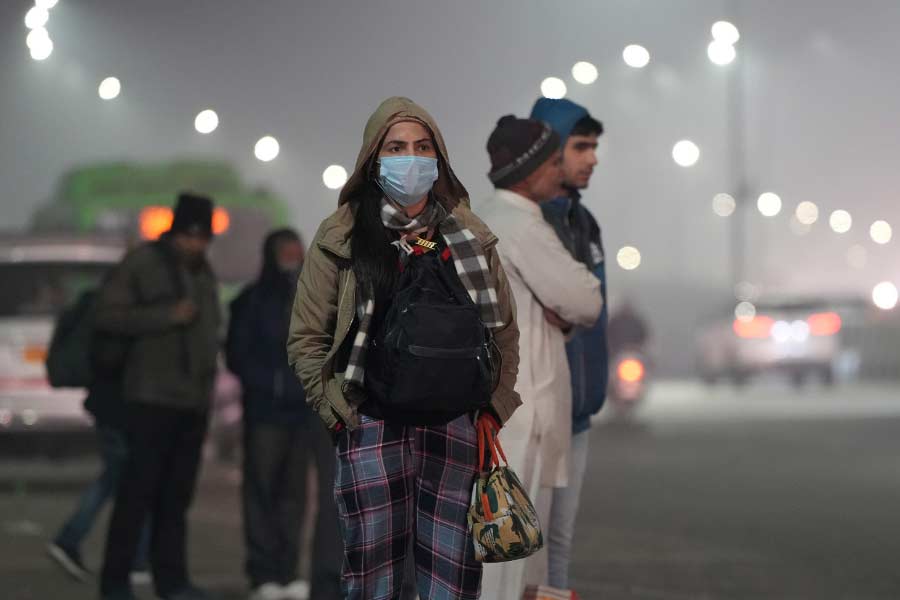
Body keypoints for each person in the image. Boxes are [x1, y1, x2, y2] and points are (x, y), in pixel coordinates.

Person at [286, 96, 521, 600]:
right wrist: (335, 412)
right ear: (373, 159)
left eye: (421, 146)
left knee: (452, 581)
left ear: (438, 159)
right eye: (395, 147)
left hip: (454, 429)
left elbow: (502, 330)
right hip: (370, 426)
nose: (410, 158)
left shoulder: (468, 237)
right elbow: (307, 336)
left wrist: (494, 408)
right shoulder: (342, 237)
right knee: (374, 581)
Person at [476, 115, 604, 600]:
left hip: (504, 409)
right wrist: (568, 308)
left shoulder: (483, 215)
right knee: (510, 568)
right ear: (527, 171)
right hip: (522, 415)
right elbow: (586, 300)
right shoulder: (520, 225)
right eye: (553, 162)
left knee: (504, 560)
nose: (559, 171)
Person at [97, 193, 221, 600]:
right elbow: (108, 315)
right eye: (190, 235)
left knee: (175, 500)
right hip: (149, 398)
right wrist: (165, 316)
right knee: (136, 496)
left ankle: (172, 582)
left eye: (203, 237)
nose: (196, 244)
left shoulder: (205, 273)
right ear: (176, 231)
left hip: (192, 402)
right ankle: (114, 582)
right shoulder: (143, 264)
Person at [226, 229, 342, 600]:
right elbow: (237, 354)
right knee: (262, 491)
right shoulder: (252, 300)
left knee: (294, 497)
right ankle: (263, 573)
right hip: (265, 413)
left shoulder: (314, 297)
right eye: (286, 249)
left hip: (302, 413)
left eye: (297, 249)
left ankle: (288, 571)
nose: (293, 255)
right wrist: (272, 384)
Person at [526, 98, 609, 593]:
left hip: (578, 408)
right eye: (581, 147)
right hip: (537, 411)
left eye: (595, 147)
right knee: (524, 543)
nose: (592, 158)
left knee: (559, 541)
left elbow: (591, 308)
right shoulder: (526, 222)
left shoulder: (585, 222)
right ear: (549, 150)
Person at [47, 368, 152, 586]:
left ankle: (71, 540)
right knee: (134, 481)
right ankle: (135, 559)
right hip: (122, 406)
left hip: (111, 404)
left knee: (119, 479)